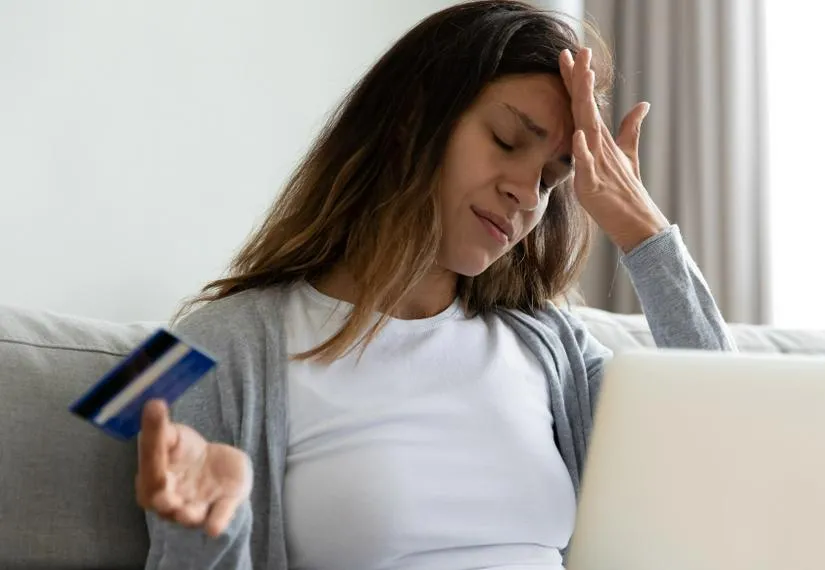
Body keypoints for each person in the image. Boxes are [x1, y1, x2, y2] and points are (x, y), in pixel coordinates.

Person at [135, 1, 736, 569]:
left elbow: (730, 442)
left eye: (552, 180)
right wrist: (205, 532)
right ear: (411, 121)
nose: (527, 195)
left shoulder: (555, 350)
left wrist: (642, 230)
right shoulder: (207, 345)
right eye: (506, 141)